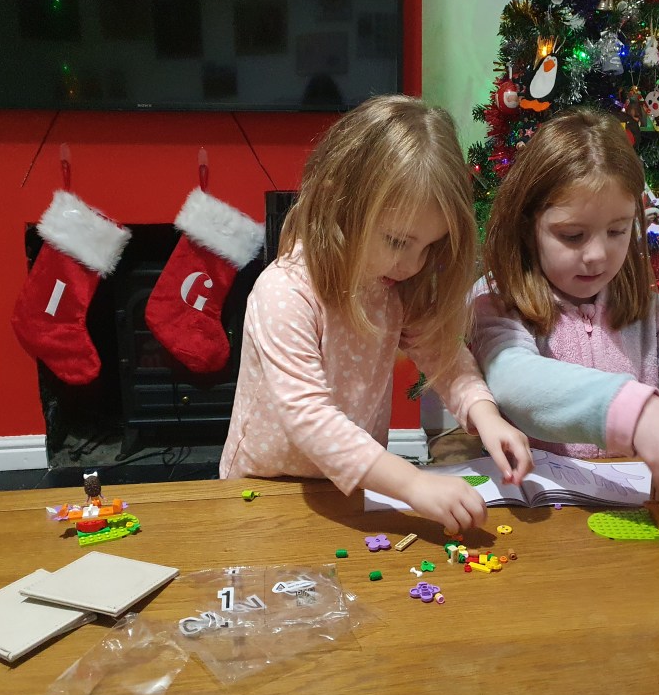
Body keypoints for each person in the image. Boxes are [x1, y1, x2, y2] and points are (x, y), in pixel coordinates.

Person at [220, 94, 532, 532]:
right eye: (398, 241)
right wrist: (412, 483)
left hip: (353, 487)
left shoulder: (393, 285)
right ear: (339, 201)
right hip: (264, 488)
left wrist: (486, 415)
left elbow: (445, 357)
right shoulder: (284, 291)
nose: (412, 265)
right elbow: (310, 418)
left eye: (428, 246)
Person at [471, 108, 659, 517]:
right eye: (572, 235)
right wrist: (637, 413)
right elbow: (514, 380)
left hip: (636, 513)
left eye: (617, 231)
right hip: (537, 519)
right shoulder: (496, 301)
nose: (597, 255)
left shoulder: (651, 312)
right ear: (528, 228)